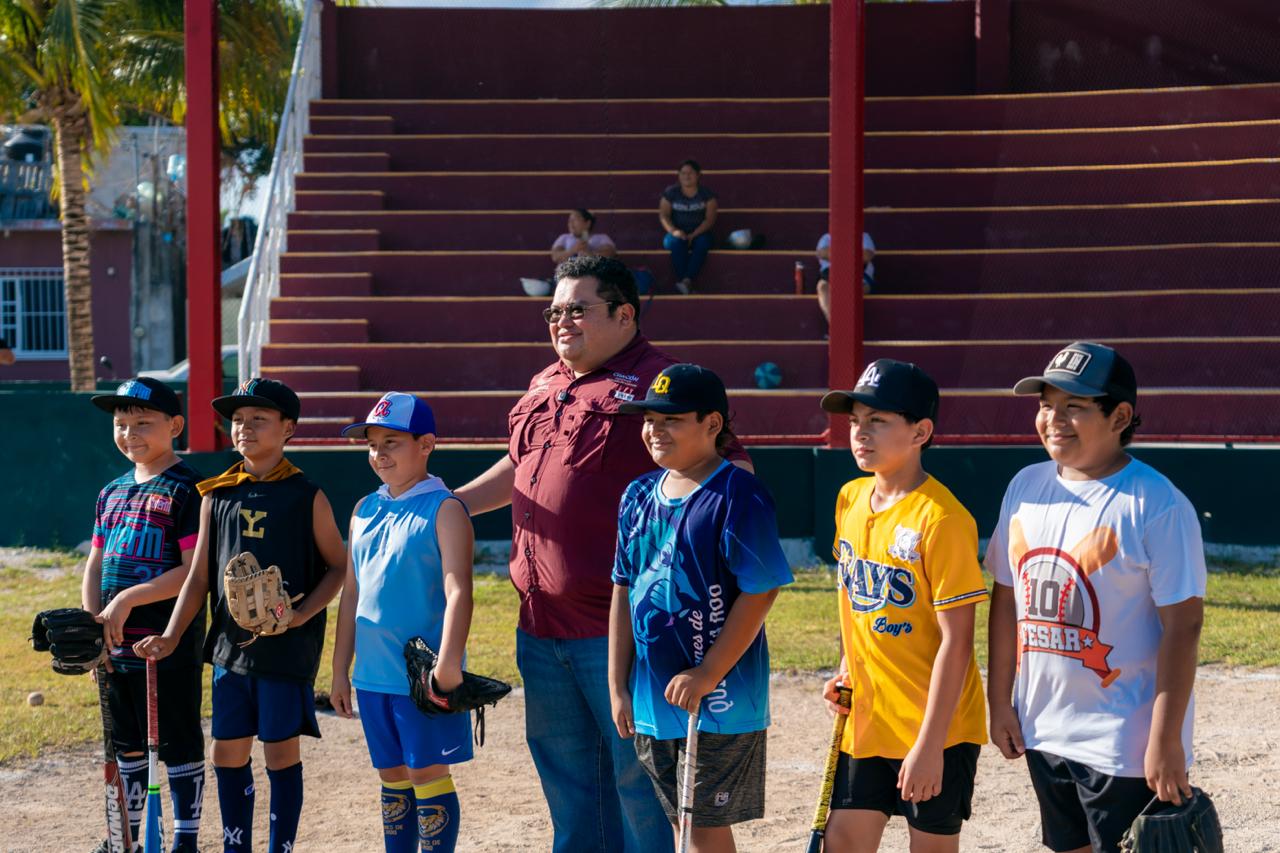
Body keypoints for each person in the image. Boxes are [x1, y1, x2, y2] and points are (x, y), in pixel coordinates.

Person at [453, 255, 750, 853]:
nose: (561, 321)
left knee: (640, 786)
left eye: (577, 309)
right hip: (540, 627)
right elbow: (520, 466)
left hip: (624, 631)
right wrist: (448, 506)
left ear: (624, 315)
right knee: (569, 788)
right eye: (554, 311)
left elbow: (733, 471)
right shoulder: (544, 382)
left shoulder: (664, 383)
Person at [985, 342, 1206, 853]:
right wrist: (999, 700)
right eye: (1046, 405)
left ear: (1120, 416)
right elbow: (1006, 597)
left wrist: (1165, 739)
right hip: (1042, 725)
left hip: (1123, 738)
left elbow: (1184, 625)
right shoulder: (1025, 486)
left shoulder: (1154, 503)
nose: (1053, 420)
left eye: (1074, 407)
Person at [135, 378, 347, 853]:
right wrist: (171, 635)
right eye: (237, 419)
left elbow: (338, 566)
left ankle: (280, 847)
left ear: (288, 428)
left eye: (259, 419)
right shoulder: (217, 495)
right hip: (231, 649)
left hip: (285, 649)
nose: (244, 427)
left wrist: (301, 614)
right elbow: (197, 579)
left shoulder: (306, 495)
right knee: (226, 752)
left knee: (279, 752)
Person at [609, 364, 793, 853]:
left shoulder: (738, 493)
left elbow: (761, 591)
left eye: (671, 419)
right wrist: (617, 684)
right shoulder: (637, 495)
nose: (654, 429)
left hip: (720, 700)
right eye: (649, 419)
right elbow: (624, 588)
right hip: (653, 698)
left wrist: (708, 672)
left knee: (704, 829)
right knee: (680, 821)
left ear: (712, 424)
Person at [817, 359, 989, 853]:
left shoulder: (943, 519)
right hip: (869, 721)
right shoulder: (850, 498)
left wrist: (931, 746)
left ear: (920, 432)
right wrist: (846, 666)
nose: (860, 432)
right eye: (855, 420)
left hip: (937, 729)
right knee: (842, 842)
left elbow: (958, 642)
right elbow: (854, 601)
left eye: (878, 420)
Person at [330, 392, 476, 853]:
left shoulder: (444, 508)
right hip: (372, 675)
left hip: (422, 678)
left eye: (391, 442)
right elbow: (351, 594)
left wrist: (448, 664)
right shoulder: (364, 509)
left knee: (426, 773)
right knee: (392, 776)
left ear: (426, 444)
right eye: (372, 445)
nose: (379, 454)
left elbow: (459, 592)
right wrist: (339, 669)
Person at [82, 377, 205, 852]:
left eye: (143, 424)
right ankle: (129, 838)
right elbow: (95, 563)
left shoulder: (188, 490)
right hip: (114, 645)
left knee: (176, 741)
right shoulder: (110, 492)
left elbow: (193, 571)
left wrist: (128, 599)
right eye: (120, 424)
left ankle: (185, 840)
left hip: (164, 644)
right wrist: (93, 624)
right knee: (127, 743)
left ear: (175, 426)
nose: (129, 434)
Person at [659, 159, 718, 295]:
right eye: (683, 173)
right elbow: (664, 215)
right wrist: (674, 231)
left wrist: (695, 234)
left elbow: (710, 219)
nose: (686, 176)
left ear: (698, 175)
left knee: (703, 243)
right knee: (675, 242)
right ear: (679, 175)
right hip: (677, 232)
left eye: (690, 173)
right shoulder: (671, 193)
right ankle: (686, 283)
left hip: (701, 232)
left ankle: (686, 281)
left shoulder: (707, 194)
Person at [816, 232, 876, 326]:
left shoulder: (863, 236)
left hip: (859, 276)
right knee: (822, 287)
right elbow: (822, 253)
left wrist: (834, 253)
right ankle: (836, 325)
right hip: (831, 276)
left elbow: (866, 256)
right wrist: (854, 253)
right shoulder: (826, 237)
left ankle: (846, 325)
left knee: (853, 288)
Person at [550, 208, 617, 264]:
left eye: (575, 219)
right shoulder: (563, 238)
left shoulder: (602, 238)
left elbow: (610, 254)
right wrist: (573, 250)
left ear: (587, 223)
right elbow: (555, 257)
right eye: (569, 220)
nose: (571, 223)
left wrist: (589, 253)